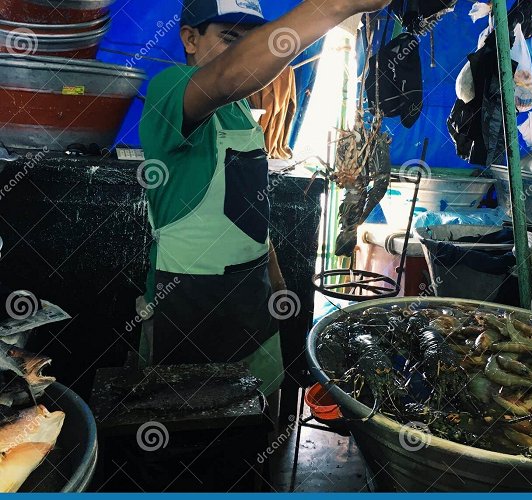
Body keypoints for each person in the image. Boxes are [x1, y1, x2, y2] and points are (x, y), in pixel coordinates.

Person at [138, 0, 392, 402]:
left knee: (255, 421)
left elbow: (245, 206)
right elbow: (225, 76)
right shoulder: (168, 88)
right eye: (229, 38)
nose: (243, 50)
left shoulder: (241, 109)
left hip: (253, 298)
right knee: (191, 432)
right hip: (188, 303)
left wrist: (274, 278)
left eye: (251, 38)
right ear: (189, 38)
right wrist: (339, 6)